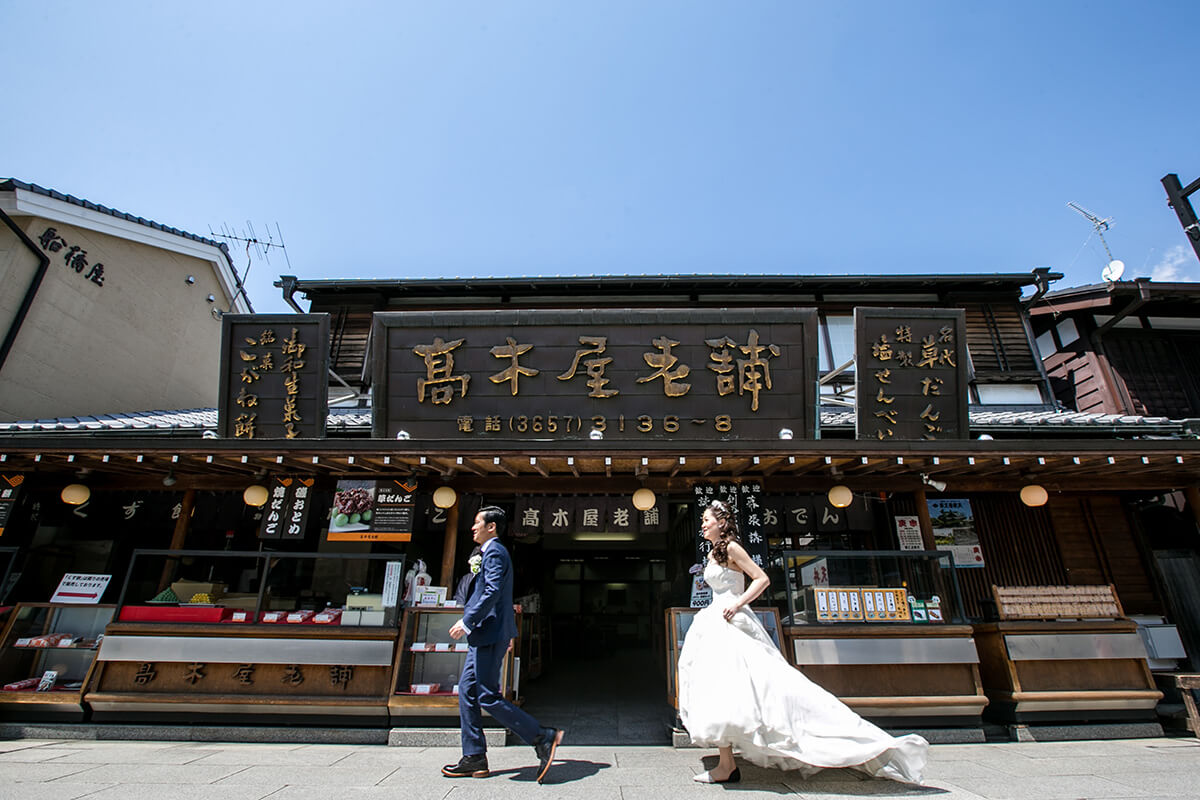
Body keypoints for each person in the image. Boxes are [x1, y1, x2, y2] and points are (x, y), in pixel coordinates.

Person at [677, 500, 928, 785]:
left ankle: (841, 738)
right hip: (714, 623)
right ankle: (727, 764)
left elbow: (761, 579)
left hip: (732, 620)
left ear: (721, 523)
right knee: (722, 687)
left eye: (706, 520)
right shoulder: (712, 553)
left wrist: (738, 603)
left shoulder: (733, 548)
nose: (702, 524)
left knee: (771, 685)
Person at [443, 506, 564, 783]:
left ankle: (542, 736)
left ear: (492, 527)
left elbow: (492, 590)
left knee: (485, 694)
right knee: (467, 691)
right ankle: (474, 756)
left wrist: (468, 621)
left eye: (477, 523)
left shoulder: (495, 551)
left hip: (488, 632)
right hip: (487, 633)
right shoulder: (486, 553)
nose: (472, 528)